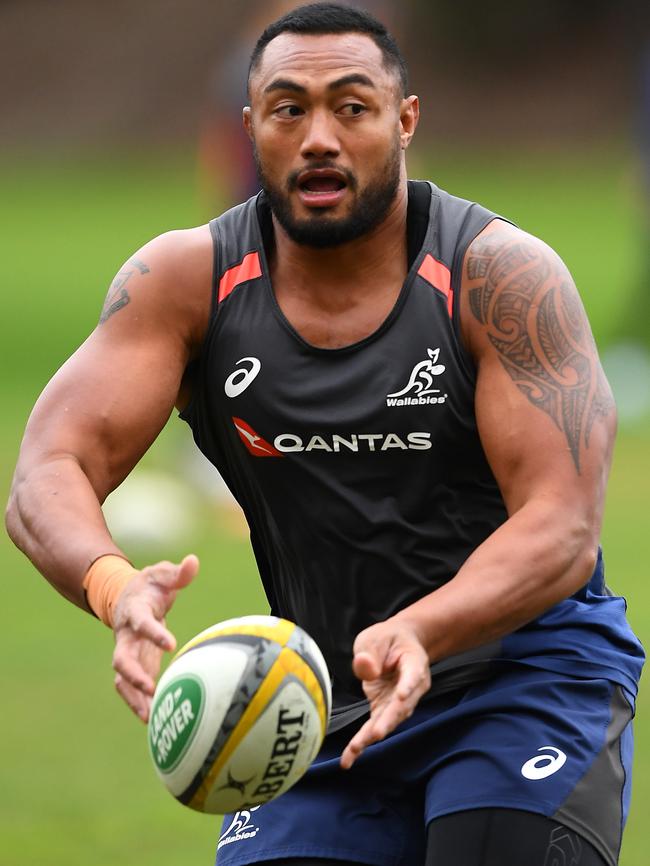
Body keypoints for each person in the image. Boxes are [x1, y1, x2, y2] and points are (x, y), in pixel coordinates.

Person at [6, 4, 644, 865]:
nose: (318, 138)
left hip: (520, 677)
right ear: (250, 128)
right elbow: (50, 466)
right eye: (288, 108)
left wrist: (424, 628)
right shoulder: (186, 283)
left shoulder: (497, 276)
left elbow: (561, 525)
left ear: (404, 120)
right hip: (315, 701)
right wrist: (117, 590)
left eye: (351, 107)